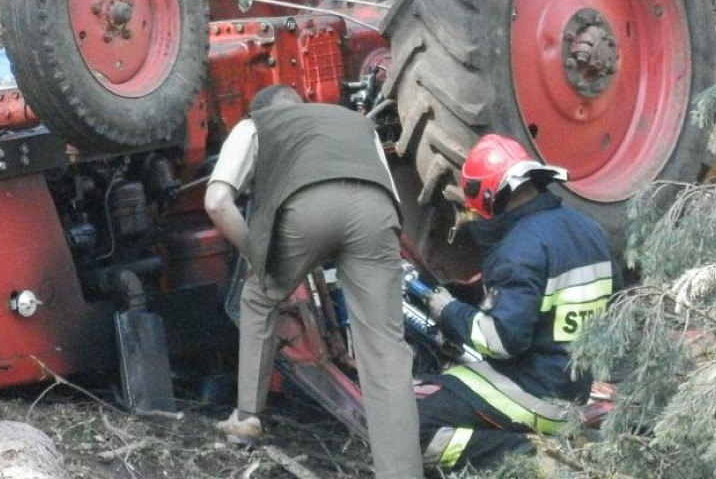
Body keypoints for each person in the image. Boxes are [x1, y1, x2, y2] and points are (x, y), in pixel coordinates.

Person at [204, 84, 423, 479]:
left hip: (306, 212)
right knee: (386, 353)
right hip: (376, 213)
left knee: (258, 297)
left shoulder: (257, 124)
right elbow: (390, 196)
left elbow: (217, 201)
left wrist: (258, 255)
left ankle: (247, 416)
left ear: (260, 110)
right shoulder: (356, 124)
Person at [415, 133, 621, 473]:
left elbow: (501, 341)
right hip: (574, 385)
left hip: (537, 391)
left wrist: (450, 311)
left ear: (485, 194)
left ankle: (537, 461)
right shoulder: (587, 228)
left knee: (412, 422)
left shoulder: (518, 249)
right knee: (456, 387)